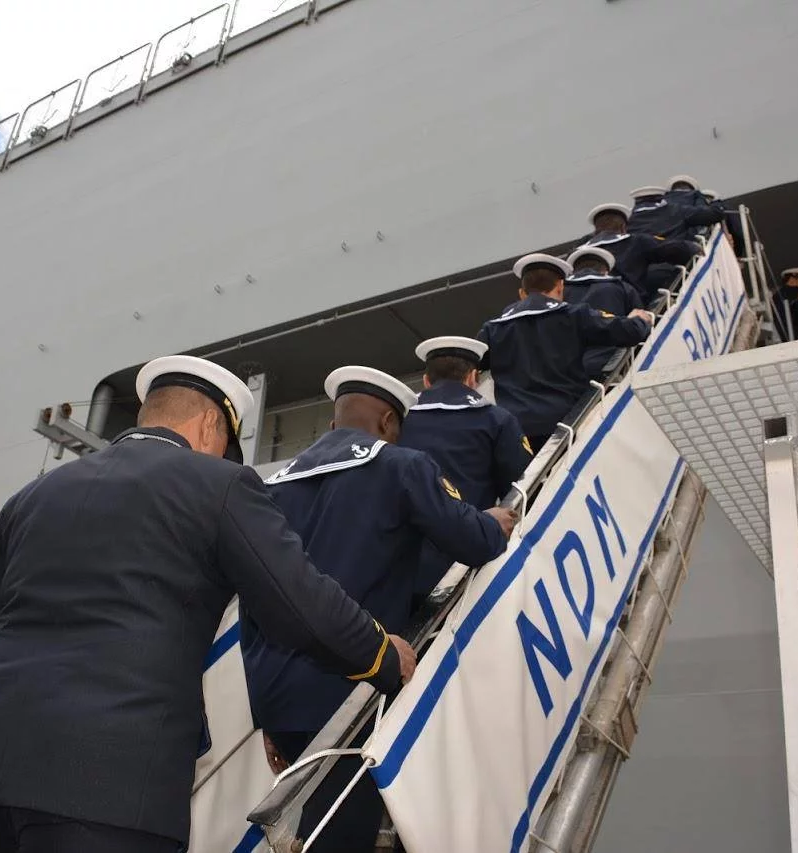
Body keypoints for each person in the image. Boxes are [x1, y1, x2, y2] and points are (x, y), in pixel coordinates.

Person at [0, 355, 417, 853]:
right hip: (111, 792)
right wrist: (381, 654)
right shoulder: (218, 485)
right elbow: (302, 606)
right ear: (211, 423)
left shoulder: (33, 497)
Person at [242, 366, 515, 853]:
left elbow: (255, 604)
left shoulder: (271, 488)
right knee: (345, 834)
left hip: (280, 698)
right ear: (389, 422)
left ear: (332, 425)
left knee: (321, 824)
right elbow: (470, 540)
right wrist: (495, 521)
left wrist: (265, 714)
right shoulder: (402, 466)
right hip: (354, 689)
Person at [399, 336, 533, 603]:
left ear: (426, 381)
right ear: (473, 377)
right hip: (466, 567)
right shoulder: (496, 419)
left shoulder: (398, 421)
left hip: (401, 570)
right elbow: (523, 487)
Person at [478, 253, 654, 452]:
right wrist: (641, 319)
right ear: (561, 287)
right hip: (568, 423)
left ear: (522, 293)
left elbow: (471, 368)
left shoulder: (492, 329)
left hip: (518, 431)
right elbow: (627, 332)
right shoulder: (574, 315)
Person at [583, 202, 701, 301]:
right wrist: (694, 247)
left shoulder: (577, 253)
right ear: (623, 227)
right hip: (632, 311)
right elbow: (676, 249)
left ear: (595, 230)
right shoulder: (636, 241)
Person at [564, 245, 646, 316]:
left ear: (573, 271)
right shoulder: (623, 287)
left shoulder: (559, 289)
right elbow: (641, 320)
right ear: (606, 271)